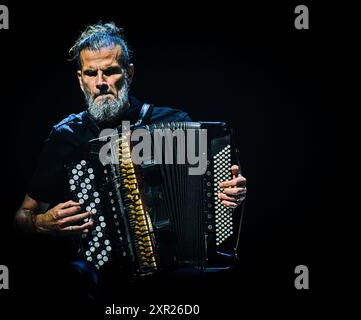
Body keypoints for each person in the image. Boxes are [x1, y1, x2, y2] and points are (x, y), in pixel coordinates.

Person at [13, 21, 247, 300]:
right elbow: (22, 216)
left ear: (129, 73)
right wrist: (42, 222)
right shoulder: (66, 136)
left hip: (174, 273)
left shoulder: (173, 123)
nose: (100, 82)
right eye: (91, 73)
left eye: (110, 71)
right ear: (80, 79)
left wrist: (233, 191)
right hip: (98, 275)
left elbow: (216, 192)